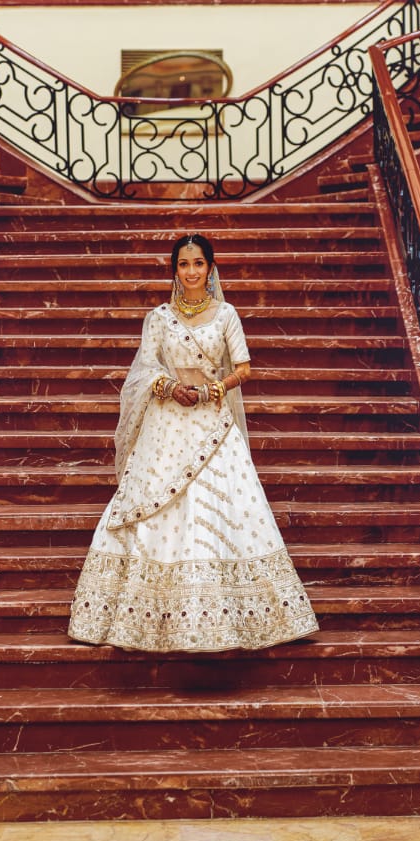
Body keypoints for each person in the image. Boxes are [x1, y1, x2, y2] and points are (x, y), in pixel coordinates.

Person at [68, 232, 319, 652]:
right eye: (183, 264)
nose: (191, 272)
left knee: (224, 509)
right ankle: (144, 616)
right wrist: (167, 387)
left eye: (198, 264)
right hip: (165, 424)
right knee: (151, 505)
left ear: (210, 268)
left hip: (212, 420)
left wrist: (215, 389)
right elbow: (145, 366)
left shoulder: (226, 315)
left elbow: (244, 367)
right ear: (175, 270)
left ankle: (238, 612)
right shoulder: (159, 317)